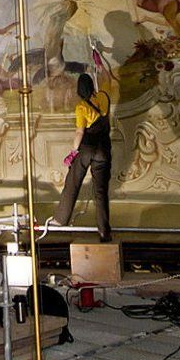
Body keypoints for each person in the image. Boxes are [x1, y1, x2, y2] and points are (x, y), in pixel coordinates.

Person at [52, 49, 119, 242]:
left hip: (87, 149)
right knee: (101, 192)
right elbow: (107, 79)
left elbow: (80, 132)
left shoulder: (81, 107)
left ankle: (61, 219)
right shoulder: (104, 98)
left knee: (72, 182)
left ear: (79, 90)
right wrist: (99, 64)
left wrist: (73, 152)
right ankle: (104, 231)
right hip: (104, 150)